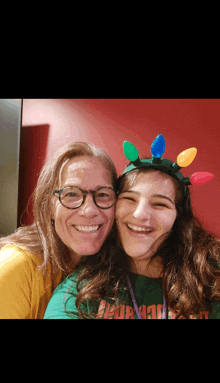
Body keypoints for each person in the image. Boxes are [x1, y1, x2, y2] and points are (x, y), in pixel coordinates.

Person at [43, 135, 220, 319]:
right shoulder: (80, 290)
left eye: (160, 204)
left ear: (179, 217)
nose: (139, 214)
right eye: (129, 199)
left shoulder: (212, 272)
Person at [0, 141, 117, 319]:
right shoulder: (14, 267)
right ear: (48, 207)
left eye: (102, 194)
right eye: (71, 194)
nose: (90, 210)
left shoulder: (109, 264)